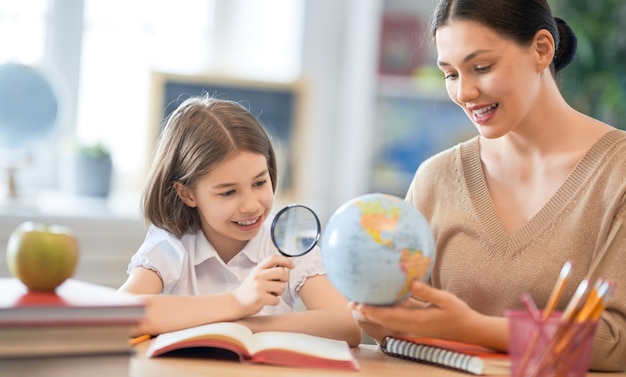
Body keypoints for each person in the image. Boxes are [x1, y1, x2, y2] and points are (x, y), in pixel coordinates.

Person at [350, 0, 626, 371]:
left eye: (481, 67)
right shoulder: (435, 179)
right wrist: (387, 320)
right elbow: (404, 327)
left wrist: (471, 328)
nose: (464, 93)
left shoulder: (617, 173)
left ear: (542, 50)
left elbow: (614, 342)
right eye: (450, 74)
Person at [118, 96, 361, 347]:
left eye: (259, 183)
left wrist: (242, 326)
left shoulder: (286, 243)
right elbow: (120, 316)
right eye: (228, 192)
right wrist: (236, 301)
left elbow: (347, 326)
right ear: (187, 194)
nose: (251, 205)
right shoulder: (170, 243)